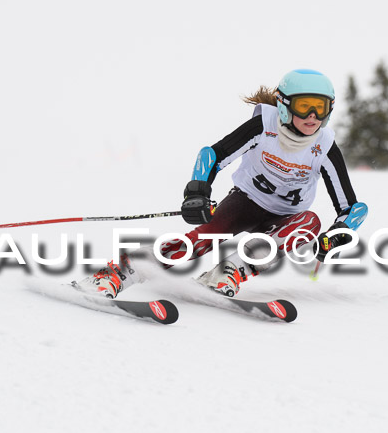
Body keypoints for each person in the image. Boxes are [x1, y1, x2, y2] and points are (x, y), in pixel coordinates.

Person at [74, 69, 368, 298]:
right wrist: (198, 192)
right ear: (283, 105)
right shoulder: (264, 126)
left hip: (288, 217)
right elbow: (213, 155)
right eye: (305, 106)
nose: (313, 117)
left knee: (311, 223)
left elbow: (351, 206)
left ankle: (227, 273)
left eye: (321, 107)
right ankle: (114, 275)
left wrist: (341, 231)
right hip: (245, 203)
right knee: (203, 238)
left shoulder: (325, 146)